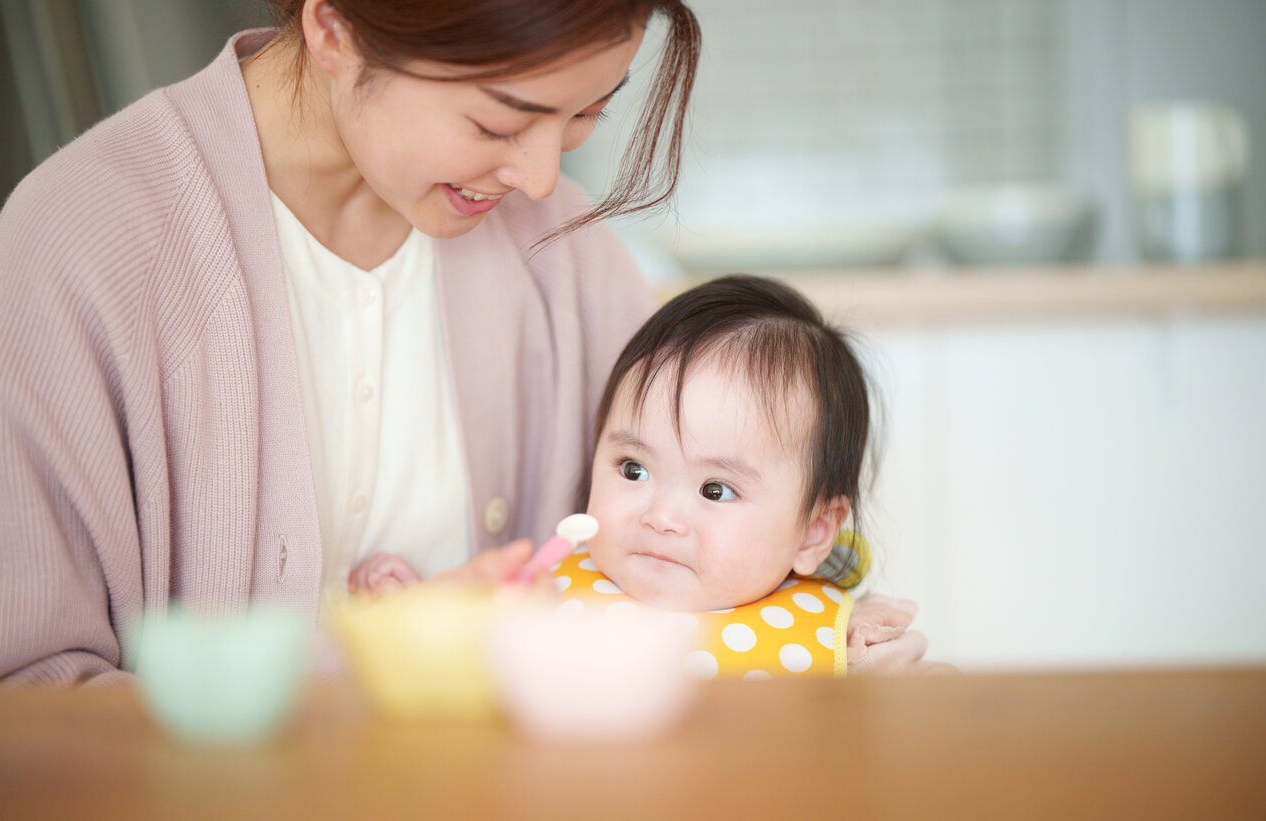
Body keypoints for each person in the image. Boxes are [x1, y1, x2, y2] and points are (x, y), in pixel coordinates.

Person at [0, 0, 700, 685]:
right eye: (500, 123)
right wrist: (368, 666)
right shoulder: (77, 243)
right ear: (333, 31)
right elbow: (30, 706)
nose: (543, 177)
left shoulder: (564, 254)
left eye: (586, 115)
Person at [355, 275, 937, 677]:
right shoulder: (540, 595)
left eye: (716, 490)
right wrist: (410, 616)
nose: (660, 517)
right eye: (633, 469)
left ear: (814, 532)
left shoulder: (843, 646)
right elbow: (454, 672)